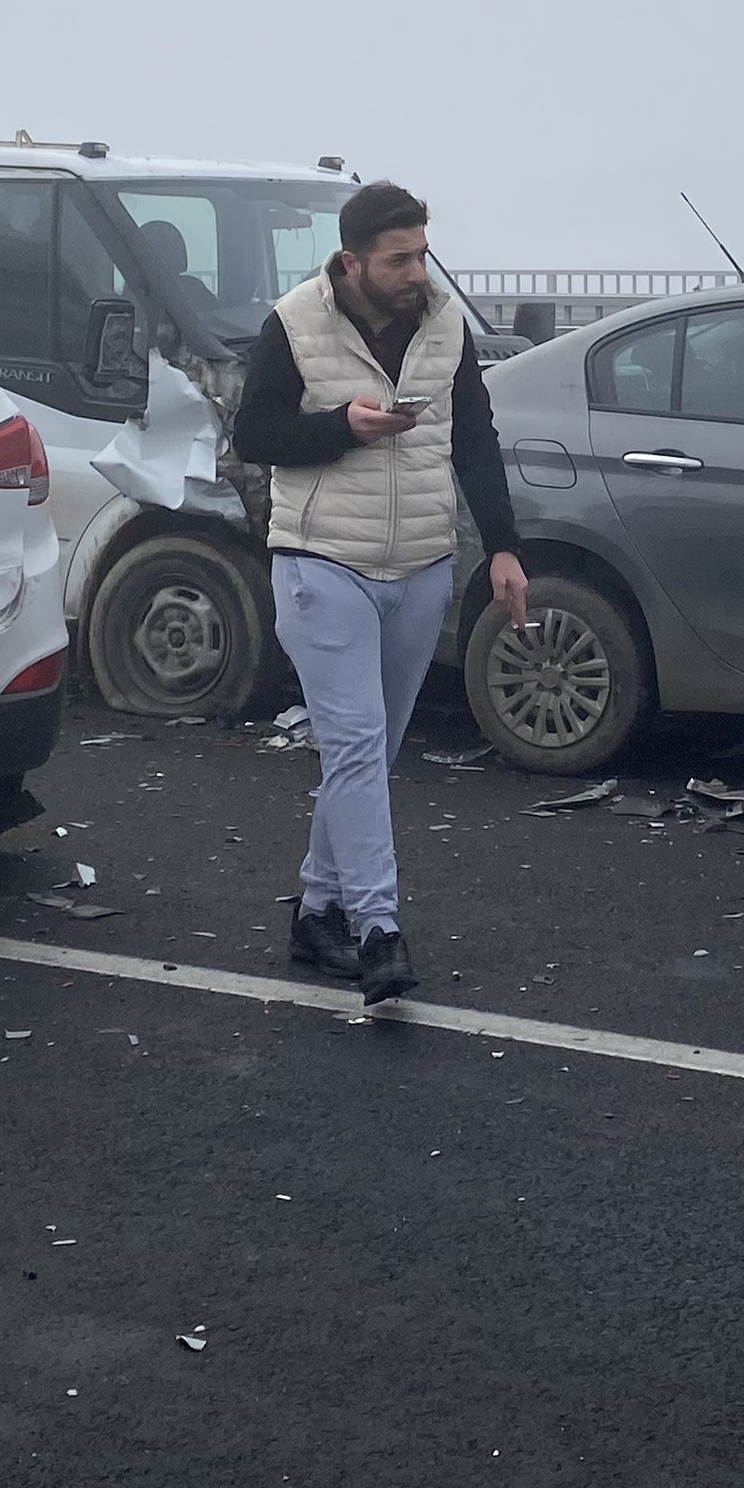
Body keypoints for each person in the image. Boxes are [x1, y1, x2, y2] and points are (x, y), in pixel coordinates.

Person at [228, 181, 530, 1007]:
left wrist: (502, 547)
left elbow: (475, 436)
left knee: (372, 753)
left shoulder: (444, 323)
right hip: (321, 559)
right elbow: (252, 436)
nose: (416, 272)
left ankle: (315, 911)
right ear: (353, 261)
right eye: (399, 259)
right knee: (356, 748)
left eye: (423, 254)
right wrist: (343, 428)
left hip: (422, 564)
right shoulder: (294, 321)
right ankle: (378, 930)